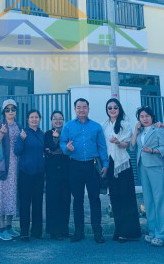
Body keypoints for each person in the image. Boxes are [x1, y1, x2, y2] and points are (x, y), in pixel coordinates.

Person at [60, 98, 108, 244]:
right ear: (75, 109)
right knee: (77, 199)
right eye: (79, 107)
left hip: (92, 166)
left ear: (88, 109)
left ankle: (97, 232)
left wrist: (105, 164)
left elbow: (102, 147)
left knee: (95, 199)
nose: (82, 110)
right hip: (75, 166)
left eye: (84, 107)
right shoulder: (68, 126)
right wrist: (66, 148)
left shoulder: (96, 127)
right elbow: (62, 142)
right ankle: (78, 232)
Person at [102, 98, 141, 243]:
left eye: (115, 107)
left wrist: (118, 142)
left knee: (126, 197)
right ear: (107, 110)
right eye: (110, 108)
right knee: (114, 198)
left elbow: (127, 144)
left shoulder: (125, 124)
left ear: (119, 109)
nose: (112, 110)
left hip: (123, 164)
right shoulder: (104, 125)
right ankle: (118, 229)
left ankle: (127, 231)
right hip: (110, 163)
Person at [131, 106, 164, 247]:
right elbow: (132, 147)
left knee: (159, 200)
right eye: (142, 116)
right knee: (148, 201)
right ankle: (152, 230)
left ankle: (161, 234)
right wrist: (135, 131)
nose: (145, 119)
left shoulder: (158, 129)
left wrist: (152, 150)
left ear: (152, 117)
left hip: (156, 168)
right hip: (143, 167)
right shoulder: (140, 131)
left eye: (147, 116)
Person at [0, 99, 21, 241]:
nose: (10, 111)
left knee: (12, 194)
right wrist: (1, 133)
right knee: (1, 194)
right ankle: (1, 228)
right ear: (3, 112)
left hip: (15, 166)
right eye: (7, 109)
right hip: (2, 165)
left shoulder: (19, 126)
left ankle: (9, 226)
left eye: (13, 109)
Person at [14, 109, 45, 241]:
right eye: (31, 117)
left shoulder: (42, 134)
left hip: (39, 173)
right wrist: (21, 140)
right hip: (25, 173)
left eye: (36, 117)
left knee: (38, 203)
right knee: (25, 203)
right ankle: (24, 232)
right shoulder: (23, 133)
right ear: (28, 119)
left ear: (39, 119)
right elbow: (17, 151)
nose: (34, 119)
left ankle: (37, 232)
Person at [44, 110, 70, 241]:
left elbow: (68, 150)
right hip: (52, 170)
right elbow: (51, 148)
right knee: (53, 199)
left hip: (66, 169)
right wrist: (55, 141)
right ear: (51, 121)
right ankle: (54, 231)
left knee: (65, 199)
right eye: (55, 118)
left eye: (60, 118)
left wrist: (56, 149)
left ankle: (64, 229)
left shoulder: (67, 132)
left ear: (63, 120)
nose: (58, 121)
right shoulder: (47, 134)